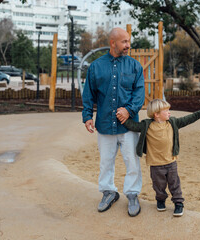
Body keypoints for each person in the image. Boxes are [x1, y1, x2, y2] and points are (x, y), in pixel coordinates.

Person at [82, 27, 145, 217]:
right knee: (106, 162)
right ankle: (108, 192)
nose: (128, 45)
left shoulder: (135, 66)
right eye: (124, 42)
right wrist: (87, 117)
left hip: (129, 125)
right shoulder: (95, 67)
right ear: (113, 43)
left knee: (132, 162)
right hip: (104, 124)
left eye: (128, 41)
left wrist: (129, 110)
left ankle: (132, 194)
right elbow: (88, 94)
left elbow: (139, 92)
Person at [119, 99, 200, 217]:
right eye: (166, 110)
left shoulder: (172, 123)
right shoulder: (147, 125)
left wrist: (199, 114)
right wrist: (122, 119)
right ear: (156, 114)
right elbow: (133, 126)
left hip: (171, 162)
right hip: (155, 164)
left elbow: (186, 120)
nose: (169, 112)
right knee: (158, 186)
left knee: (174, 184)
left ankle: (178, 203)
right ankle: (160, 200)